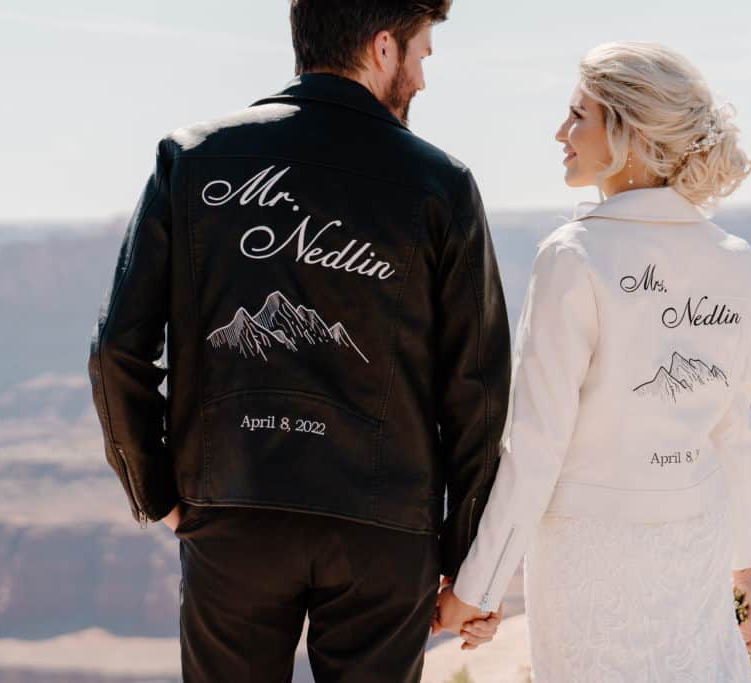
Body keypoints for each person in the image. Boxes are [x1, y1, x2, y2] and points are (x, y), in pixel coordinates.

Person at [87, 1, 510, 680]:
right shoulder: (442, 186)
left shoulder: (193, 159)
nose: (423, 79)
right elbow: (477, 394)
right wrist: (466, 564)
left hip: (233, 508)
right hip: (385, 532)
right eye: (422, 53)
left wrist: (160, 492)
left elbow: (117, 350)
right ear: (381, 49)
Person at [435, 42, 751, 681]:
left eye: (577, 116)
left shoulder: (575, 255)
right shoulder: (734, 256)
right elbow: (735, 428)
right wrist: (742, 568)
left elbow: (536, 445)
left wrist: (475, 591)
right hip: (695, 536)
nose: (561, 134)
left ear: (630, 132)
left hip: (589, 552)